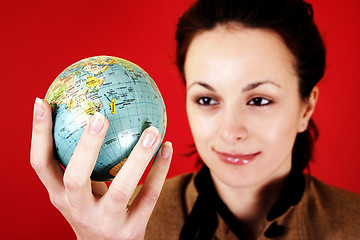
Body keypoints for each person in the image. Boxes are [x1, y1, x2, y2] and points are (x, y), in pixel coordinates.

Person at [31, 0, 360, 239]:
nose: (230, 131)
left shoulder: (353, 223)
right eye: (207, 99)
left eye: (259, 100)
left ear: (306, 107)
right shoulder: (121, 222)